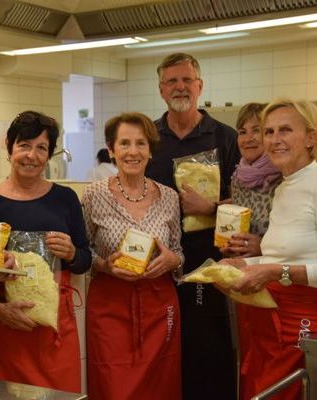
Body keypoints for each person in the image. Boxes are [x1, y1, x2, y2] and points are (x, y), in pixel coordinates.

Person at [224, 98, 317, 399]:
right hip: (267, 321)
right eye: (268, 132)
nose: (274, 140)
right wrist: (248, 264)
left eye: (285, 130)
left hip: (301, 321)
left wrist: (272, 270)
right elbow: (282, 254)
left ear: (311, 137)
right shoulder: (284, 187)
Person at [0, 110, 91, 393]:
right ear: (9, 147)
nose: (31, 155)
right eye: (24, 145)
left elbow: (85, 260)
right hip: (9, 324)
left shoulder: (65, 199)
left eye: (41, 148)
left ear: (49, 155)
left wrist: (72, 253)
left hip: (54, 326)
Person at [146, 52, 240, 399]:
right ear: (161, 89)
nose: (180, 87)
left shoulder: (225, 138)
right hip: (155, 264)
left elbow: (245, 205)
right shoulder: (149, 138)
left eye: (187, 80)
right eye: (172, 81)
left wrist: (211, 208)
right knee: (161, 349)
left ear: (199, 86)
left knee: (207, 351)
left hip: (207, 265)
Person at [82, 112, 184, 400]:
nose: (133, 151)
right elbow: (84, 250)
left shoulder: (169, 197)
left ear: (150, 150)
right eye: (124, 143)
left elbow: (178, 250)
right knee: (113, 385)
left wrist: (172, 260)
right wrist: (104, 265)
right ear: (112, 150)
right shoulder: (93, 195)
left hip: (158, 305)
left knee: (161, 387)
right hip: (110, 307)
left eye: (141, 143)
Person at [217, 102, 281, 397]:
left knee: (275, 362)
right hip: (244, 279)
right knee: (248, 356)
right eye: (243, 131)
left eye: (259, 130)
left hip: (278, 282)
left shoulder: (284, 177)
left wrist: (261, 244)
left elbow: (295, 239)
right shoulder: (238, 177)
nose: (249, 138)